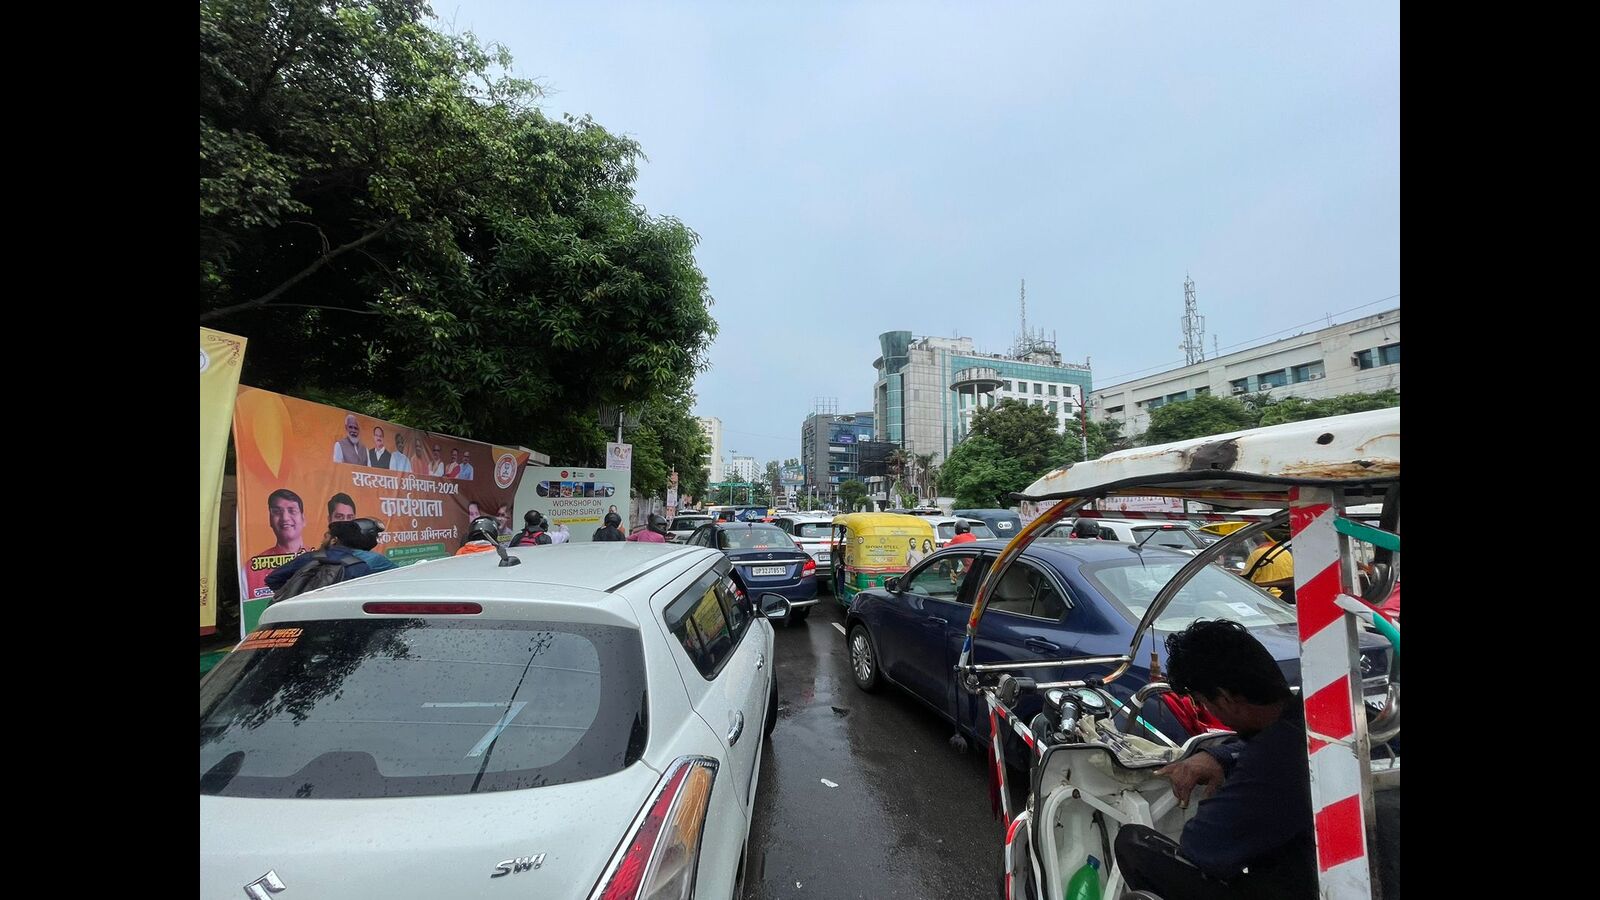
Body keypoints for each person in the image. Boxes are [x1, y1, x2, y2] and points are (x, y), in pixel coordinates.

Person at [1114, 619, 1315, 900]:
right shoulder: (1311, 720)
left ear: (1224, 699)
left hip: (1306, 885)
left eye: (1203, 702)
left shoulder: (1273, 757)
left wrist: (1219, 793)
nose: (1206, 710)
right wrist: (1220, 756)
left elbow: (1202, 848)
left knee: (1133, 843)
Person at [265, 517, 397, 593]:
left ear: (334, 540)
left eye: (325, 536)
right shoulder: (361, 565)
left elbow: (272, 579)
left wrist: (293, 594)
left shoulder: (309, 557)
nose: (323, 540)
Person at [246, 489, 309, 600]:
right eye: (277, 511)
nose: (285, 518)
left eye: (292, 510)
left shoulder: (318, 559)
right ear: (270, 519)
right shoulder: (250, 570)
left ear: (303, 519)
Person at [1241, 530, 1295, 601]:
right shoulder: (1284, 551)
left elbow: (1245, 580)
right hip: (1285, 597)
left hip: (1265, 598)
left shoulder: (1257, 554)